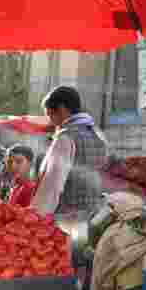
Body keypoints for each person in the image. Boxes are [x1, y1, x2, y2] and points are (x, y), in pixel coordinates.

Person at [32, 86, 108, 218]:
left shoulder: (65, 138)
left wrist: (36, 215)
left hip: (67, 217)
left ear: (61, 109)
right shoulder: (98, 135)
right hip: (94, 214)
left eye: (50, 114)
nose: (51, 121)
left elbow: (52, 185)